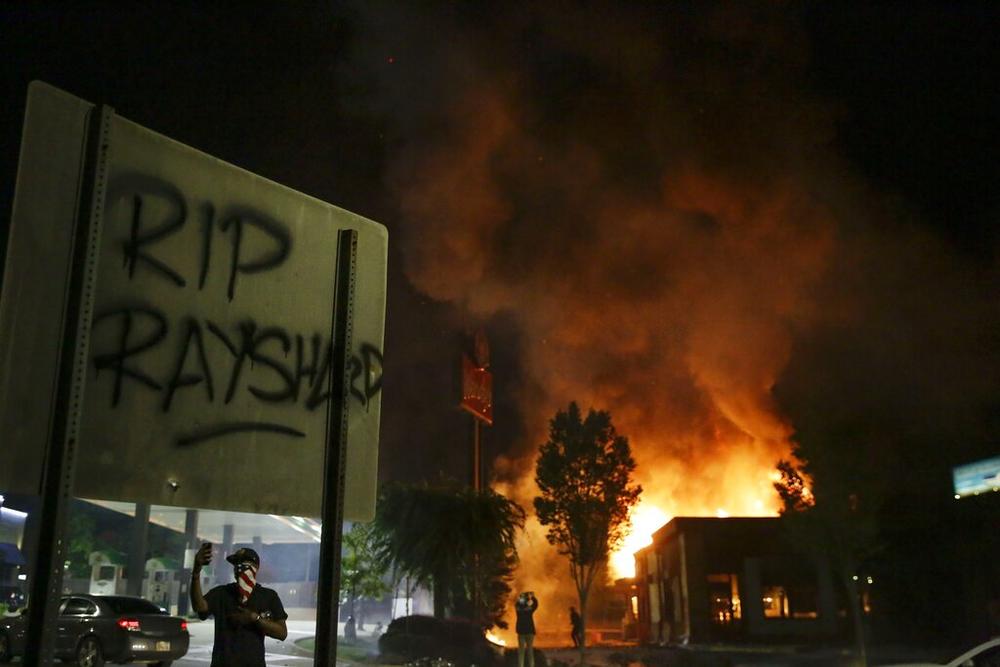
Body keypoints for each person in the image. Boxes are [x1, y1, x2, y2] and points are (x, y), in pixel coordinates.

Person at [190, 544, 288, 666]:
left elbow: (282, 633)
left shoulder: (268, 596)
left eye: (244, 564)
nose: (239, 568)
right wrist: (196, 571)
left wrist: (255, 618)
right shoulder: (222, 593)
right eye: (236, 564)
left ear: (255, 568)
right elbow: (199, 607)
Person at [515, 591, 538, 667]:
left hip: (521, 632)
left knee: (521, 651)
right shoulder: (529, 609)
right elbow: (536, 605)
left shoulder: (518, 609)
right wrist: (532, 597)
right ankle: (531, 665)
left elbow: (517, 604)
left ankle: (520, 665)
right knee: (530, 651)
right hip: (530, 631)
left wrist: (520, 597)